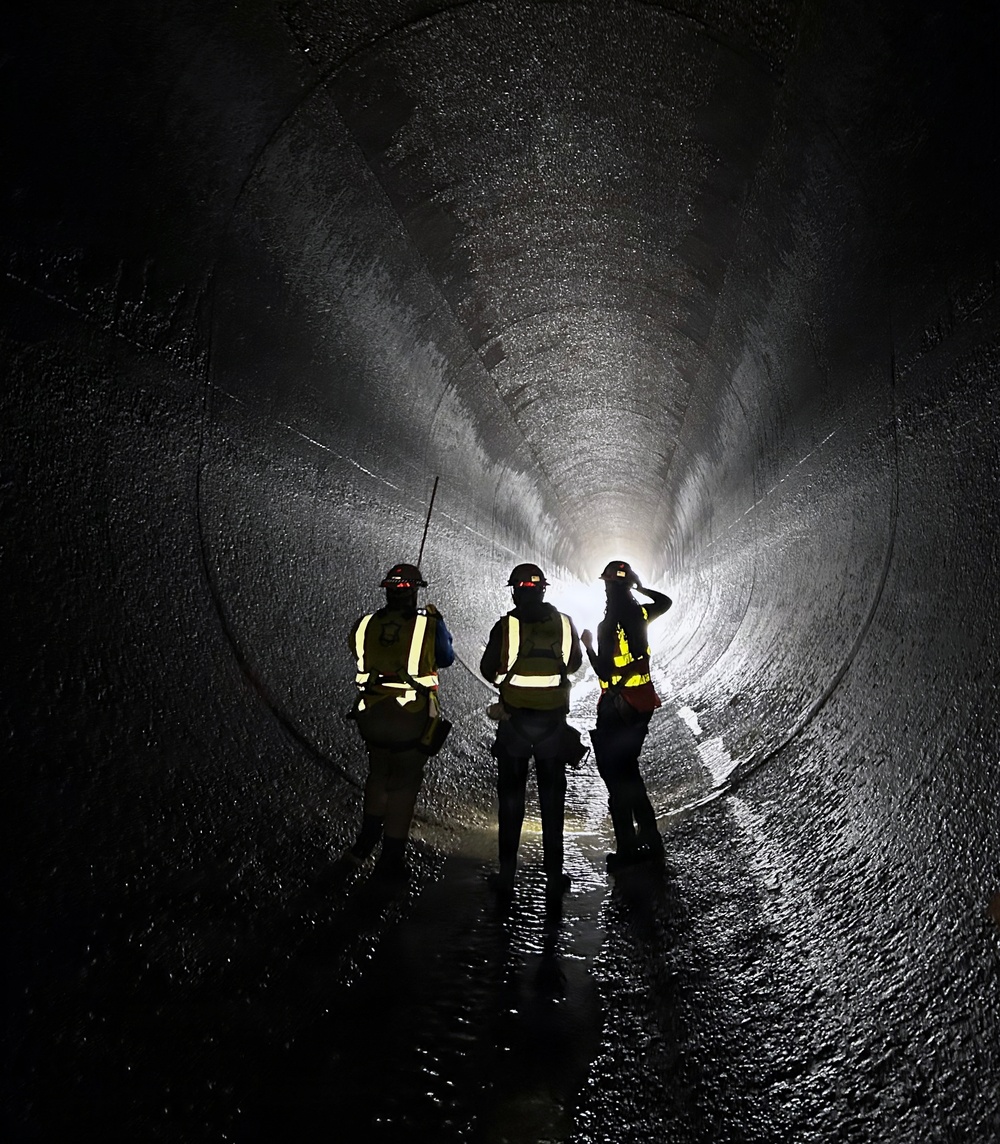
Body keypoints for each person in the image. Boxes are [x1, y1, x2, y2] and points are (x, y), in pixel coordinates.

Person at [341, 562, 454, 879]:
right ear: (416, 590)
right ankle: (390, 861)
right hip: (409, 716)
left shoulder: (364, 624)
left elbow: (361, 654)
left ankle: (363, 845)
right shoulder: (429, 624)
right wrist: (436, 623)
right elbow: (445, 657)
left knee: (378, 775)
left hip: (371, 714)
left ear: (387, 590)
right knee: (404, 784)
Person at [480, 563, 585, 897]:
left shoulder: (506, 626)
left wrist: (509, 683)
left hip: (515, 725)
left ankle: (507, 876)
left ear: (515, 591)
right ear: (543, 590)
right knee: (552, 803)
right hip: (553, 726)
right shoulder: (565, 624)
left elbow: (488, 669)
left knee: (511, 803)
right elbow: (573, 664)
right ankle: (555, 877)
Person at [582, 560, 672, 873]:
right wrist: (639, 585)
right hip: (643, 704)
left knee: (617, 779)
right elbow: (664, 602)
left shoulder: (606, 626)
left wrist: (589, 648)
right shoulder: (641, 614)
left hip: (617, 709)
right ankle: (650, 838)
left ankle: (628, 849)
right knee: (630, 773)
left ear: (607, 586)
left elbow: (604, 671)